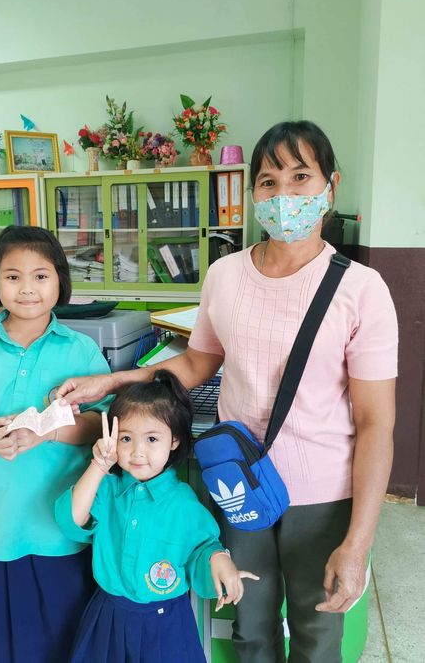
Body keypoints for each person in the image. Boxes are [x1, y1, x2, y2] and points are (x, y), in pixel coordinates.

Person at [56, 120, 398, 662]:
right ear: (252, 192)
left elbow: (377, 422)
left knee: (316, 635)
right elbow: (197, 363)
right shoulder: (225, 275)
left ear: (331, 186)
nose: (283, 196)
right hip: (238, 483)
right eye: (268, 182)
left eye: (301, 177)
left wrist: (358, 542)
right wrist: (113, 380)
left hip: (322, 493)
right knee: (250, 626)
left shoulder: (362, 289)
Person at [0, 225, 111, 663]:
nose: (27, 288)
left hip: (60, 528)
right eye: (12, 276)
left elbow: (103, 425)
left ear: (60, 281)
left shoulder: (82, 351)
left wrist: (49, 432)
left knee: (61, 642)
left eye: (41, 276)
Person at [55, 369, 258, 663]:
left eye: (152, 438)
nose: (137, 452)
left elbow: (203, 549)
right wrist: (98, 466)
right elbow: (71, 520)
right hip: (108, 618)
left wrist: (219, 560)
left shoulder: (183, 502)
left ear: (174, 440)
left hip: (166, 626)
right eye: (126, 438)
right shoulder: (107, 488)